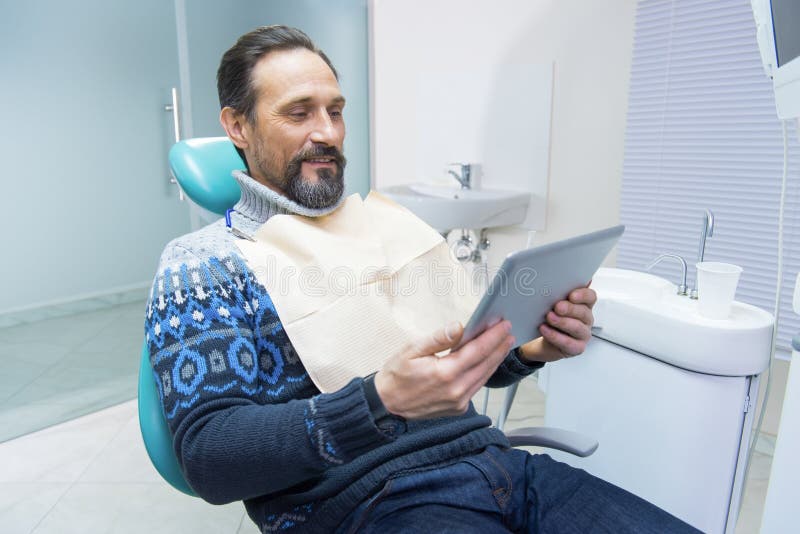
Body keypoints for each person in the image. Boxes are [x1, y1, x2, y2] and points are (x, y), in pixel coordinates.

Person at [145, 25, 698, 533]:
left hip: (500, 467)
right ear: (237, 126)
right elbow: (211, 458)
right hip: (368, 504)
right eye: (299, 113)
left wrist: (529, 349)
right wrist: (379, 399)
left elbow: (449, 364)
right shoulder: (203, 266)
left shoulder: (381, 227)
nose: (328, 133)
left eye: (335, 111)